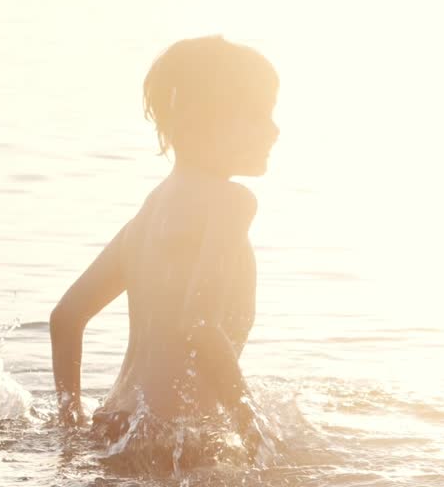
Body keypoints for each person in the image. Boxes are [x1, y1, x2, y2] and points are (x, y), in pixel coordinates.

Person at [48, 35, 279, 463]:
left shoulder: (148, 215)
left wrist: (70, 423)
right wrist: (253, 429)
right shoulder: (231, 202)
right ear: (205, 120)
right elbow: (199, 323)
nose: (274, 130)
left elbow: (66, 318)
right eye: (257, 115)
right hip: (172, 441)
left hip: (111, 427)